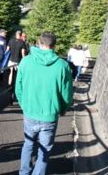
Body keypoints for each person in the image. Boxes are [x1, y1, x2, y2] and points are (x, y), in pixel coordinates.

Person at [15, 32, 73, 175]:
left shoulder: (26, 61)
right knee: (45, 150)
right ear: (54, 45)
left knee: (28, 144)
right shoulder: (62, 66)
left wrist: (24, 104)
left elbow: (18, 88)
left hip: (30, 112)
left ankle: (24, 172)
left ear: (39, 43)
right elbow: (67, 95)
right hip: (50, 115)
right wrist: (63, 109)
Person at [7, 30, 26, 103]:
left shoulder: (11, 41)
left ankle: (9, 86)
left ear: (15, 34)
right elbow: (23, 54)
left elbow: (7, 50)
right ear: (21, 35)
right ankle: (15, 91)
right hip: (18, 61)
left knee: (11, 73)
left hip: (11, 60)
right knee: (17, 77)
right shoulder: (22, 42)